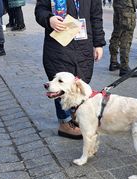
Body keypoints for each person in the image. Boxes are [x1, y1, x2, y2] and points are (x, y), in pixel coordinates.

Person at [35, 0, 106, 139]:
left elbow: (96, 16)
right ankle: (65, 122)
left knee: (80, 79)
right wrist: (49, 19)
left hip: (83, 43)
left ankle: (76, 116)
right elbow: (40, 10)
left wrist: (98, 44)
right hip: (58, 45)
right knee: (60, 83)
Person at [109, 0, 137, 77]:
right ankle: (124, 67)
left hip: (118, 3)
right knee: (127, 35)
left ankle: (113, 61)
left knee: (117, 32)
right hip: (127, 5)